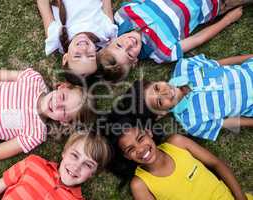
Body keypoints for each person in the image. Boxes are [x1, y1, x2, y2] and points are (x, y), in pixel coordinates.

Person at [0, 68, 95, 160]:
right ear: (61, 87)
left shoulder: (35, 134)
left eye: (64, 111)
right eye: (63, 97)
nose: (58, 104)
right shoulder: (33, 79)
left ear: (64, 122)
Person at [98, 0, 253, 81]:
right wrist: (227, 20)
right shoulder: (161, 53)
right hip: (214, 4)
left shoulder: (123, 15)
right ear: (134, 63)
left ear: (111, 40)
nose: (128, 44)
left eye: (119, 45)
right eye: (130, 54)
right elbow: (199, 38)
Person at [105, 117, 253, 200]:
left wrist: (241, 198)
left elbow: (216, 163)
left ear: (148, 132)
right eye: (130, 149)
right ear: (126, 156)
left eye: (140, 138)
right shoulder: (140, 185)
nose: (140, 149)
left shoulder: (178, 143)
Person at [120, 54, 253, 141]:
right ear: (161, 113)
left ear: (156, 81)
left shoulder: (185, 67)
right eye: (160, 101)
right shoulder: (192, 123)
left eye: (156, 88)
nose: (165, 92)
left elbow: (220, 64)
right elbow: (231, 122)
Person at [0, 131, 111, 200]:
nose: (76, 166)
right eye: (74, 155)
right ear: (64, 153)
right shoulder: (33, 163)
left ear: (93, 173)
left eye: (88, 164)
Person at [37, 0, 118, 78]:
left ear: (65, 58)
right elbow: (107, 3)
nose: (84, 48)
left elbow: (43, 5)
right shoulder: (105, 33)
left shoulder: (56, 39)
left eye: (77, 56)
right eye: (90, 56)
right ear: (96, 54)